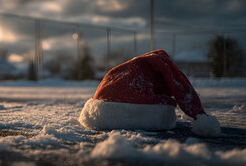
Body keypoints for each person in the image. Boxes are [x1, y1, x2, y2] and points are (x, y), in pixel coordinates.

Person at [79, 49, 220, 137]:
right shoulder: (161, 62)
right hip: (140, 105)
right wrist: (199, 114)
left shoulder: (131, 65)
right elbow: (182, 86)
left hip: (100, 107)